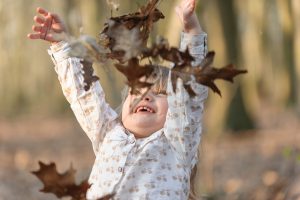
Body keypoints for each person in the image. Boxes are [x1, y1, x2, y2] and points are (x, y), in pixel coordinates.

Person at [28, 0, 208, 199]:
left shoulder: (176, 143)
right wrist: (62, 45)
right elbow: (84, 96)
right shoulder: (109, 133)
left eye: (160, 93)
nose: (146, 95)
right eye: (137, 90)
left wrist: (192, 31)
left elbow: (189, 94)